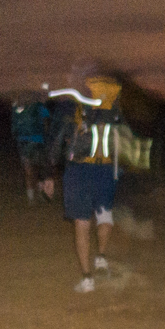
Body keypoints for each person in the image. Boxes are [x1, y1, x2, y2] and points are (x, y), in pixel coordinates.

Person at [51, 74, 124, 293]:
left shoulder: (77, 110)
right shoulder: (114, 112)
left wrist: (49, 172)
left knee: (82, 223)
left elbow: (58, 141)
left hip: (80, 170)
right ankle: (100, 257)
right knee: (105, 216)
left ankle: (87, 279)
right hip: (106, 169)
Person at [10, 91, 55, 203]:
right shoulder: (39, 106)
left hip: (23, 142)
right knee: (41, 169)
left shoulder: (17, 107)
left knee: (28, 171)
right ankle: (41, 195)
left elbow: (14, 126)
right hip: (38, 141)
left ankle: (31, 199)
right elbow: (46, 121)